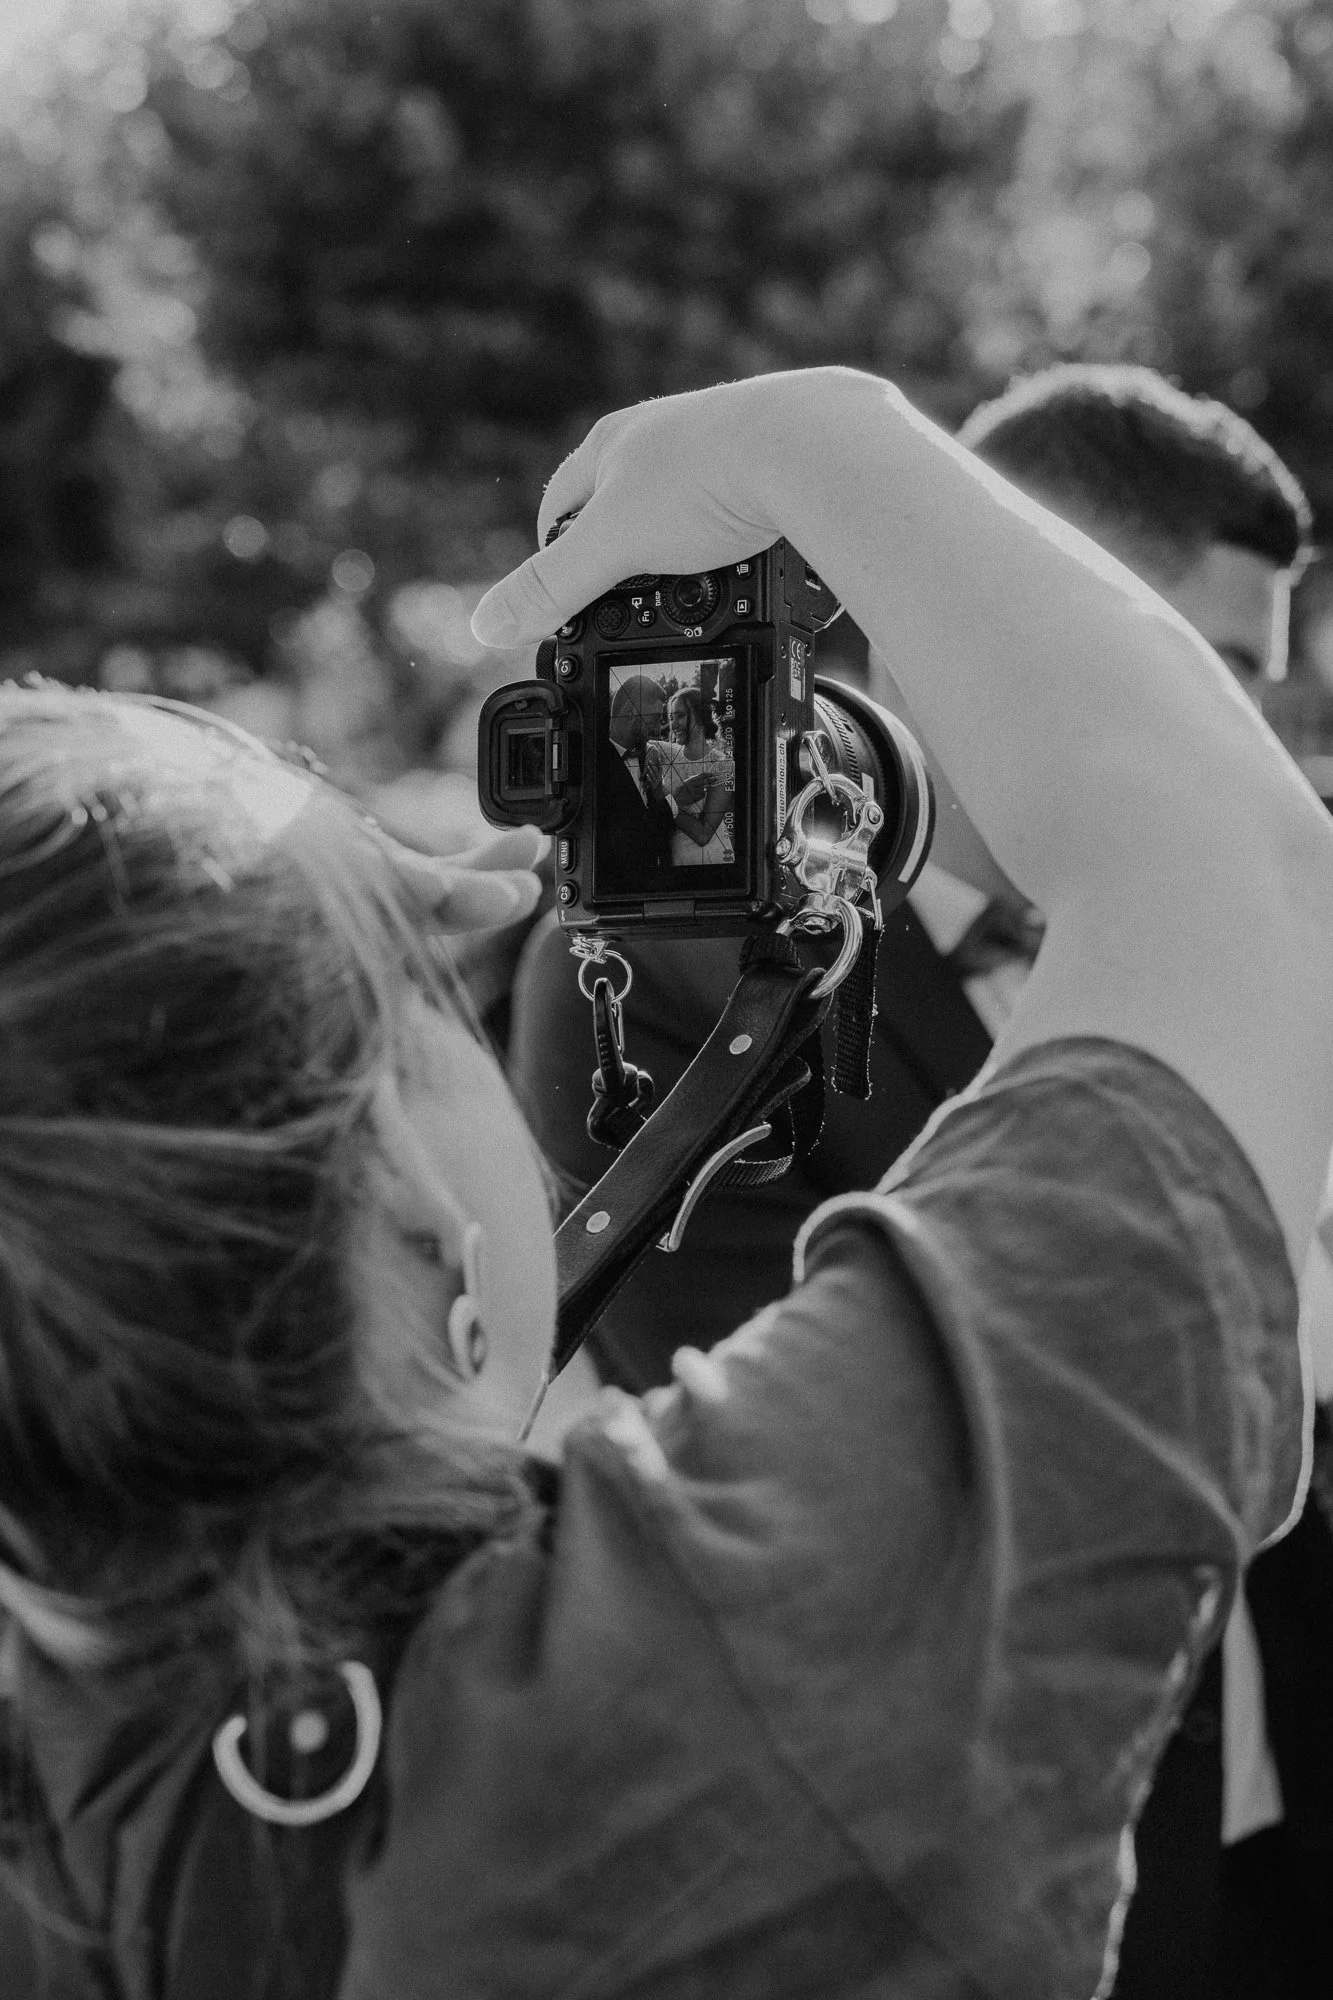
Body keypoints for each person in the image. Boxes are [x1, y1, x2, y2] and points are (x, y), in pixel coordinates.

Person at [2, 367, 1332, 2000]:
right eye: (421, 987)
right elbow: (1242, 880)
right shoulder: (713, 1671)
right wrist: (815, 435)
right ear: (413, 1191)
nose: (490, 914)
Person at [958, 361, 1333, 2000]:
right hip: (1034, 1885)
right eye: (1214, 684)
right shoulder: (702, 981)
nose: (1265, 755)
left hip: (1280, 1821)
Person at [643, 685, 735, 864]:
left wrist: (663, 796)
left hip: (708, 859)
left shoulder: (722, 765)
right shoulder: (668, 752)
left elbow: (703, 834)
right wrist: (651, 750)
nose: (673, 724)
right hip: (672, 858)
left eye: (680, 716)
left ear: (700, 716)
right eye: (671, 717)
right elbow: (641, 741)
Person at [601, 671, 674, 885]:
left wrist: (659, 791)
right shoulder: (595, 764)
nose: (658, 728)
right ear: (632, 711)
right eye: (654, 718)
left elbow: (665, 830)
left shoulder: (649, 756)